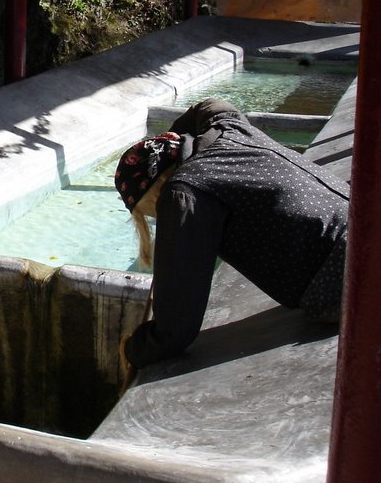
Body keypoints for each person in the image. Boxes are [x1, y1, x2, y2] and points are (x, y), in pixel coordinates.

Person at [115, 98, 349, 370]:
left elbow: (175, 330)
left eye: (153, 213)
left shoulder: (184, 191)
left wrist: (133, 348)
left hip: (344, 281)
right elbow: (209, 104)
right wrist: (169, 141)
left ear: (158, 193)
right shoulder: (229, 129)